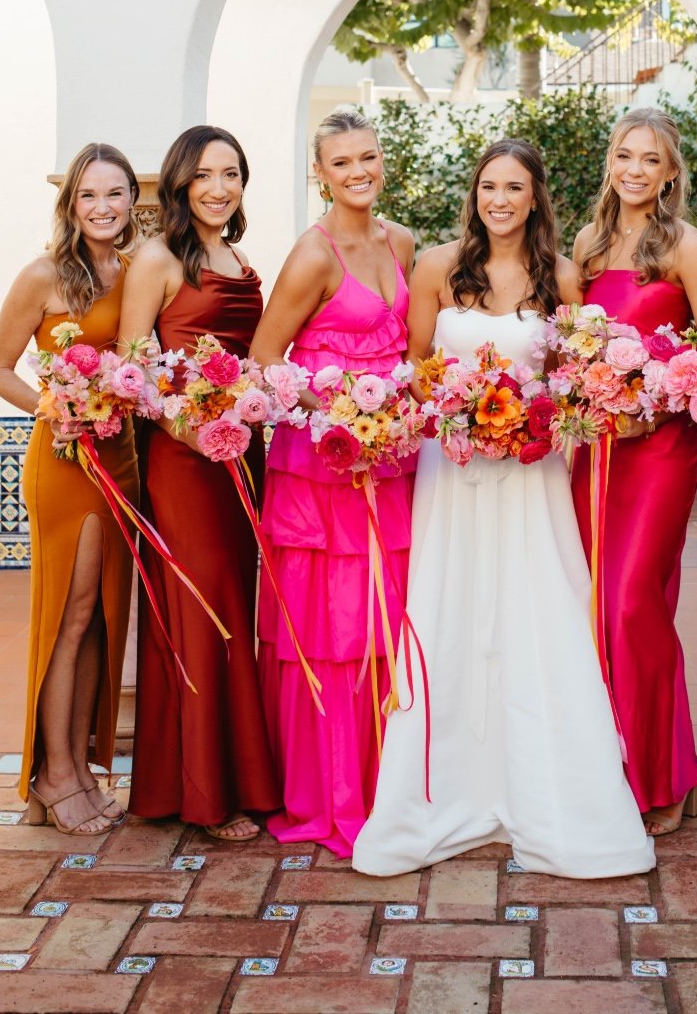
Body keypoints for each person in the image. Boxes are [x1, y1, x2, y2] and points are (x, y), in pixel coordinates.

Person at [353, 139, 653, 877]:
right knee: (449, 607)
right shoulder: (435, 267)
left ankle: (551, 794)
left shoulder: (561, 277)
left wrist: (527, 416)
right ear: (475, 193)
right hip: (452, 469)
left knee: (536, 609)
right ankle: (446, 792)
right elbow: (416, 369)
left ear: (535, 196)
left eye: (515, 187)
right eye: (489, 186)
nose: (500, 200)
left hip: (531, 469)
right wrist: (458, 411)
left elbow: (573, 374)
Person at [253, 109, 416, 857]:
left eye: (369, 158)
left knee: (391, 618)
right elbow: (264, 359)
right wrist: (336, 414)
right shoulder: (312, 256)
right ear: (319, 172)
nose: (359, 172)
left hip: (394, 463)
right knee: (332, 630)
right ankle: (331, 795)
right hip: (323, 469)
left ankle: (395, 783)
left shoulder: (401, 242)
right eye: (342, 162)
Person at [571, 109, 697, 836]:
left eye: (651, 159)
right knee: (596, 605)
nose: (635, 169)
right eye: (624, 155)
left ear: (670, 173)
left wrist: (657, 398)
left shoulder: (687, 245)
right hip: (597, 451)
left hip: (661, 450)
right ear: (612, 162)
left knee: (635, 602)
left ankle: (668, 775)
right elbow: (571, 349)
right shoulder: (588, 245)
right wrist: (589, 392)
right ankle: (608, 764)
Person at [119, 125, 278, 842]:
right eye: (206, 175)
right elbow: (133, 368)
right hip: (183, 461)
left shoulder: (240, 256)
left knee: (232, 608)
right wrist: (191, 428)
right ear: (181, 182)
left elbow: (252, 357)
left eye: (232, 174)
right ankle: (205, 795)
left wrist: (247, 414)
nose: (220, 187)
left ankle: (231, 776)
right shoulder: (157, 258)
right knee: (198, 608)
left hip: (242, 455)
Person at [0, 142, 140, 836]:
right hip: (66, 462)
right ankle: (53, 775)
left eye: (115, 194)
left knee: (104, 621)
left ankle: (78, 767)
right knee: (71, 618)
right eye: (89, 196)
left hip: (124, 464)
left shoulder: (137, 273)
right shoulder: (45, 274)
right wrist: (59, 409)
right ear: (70, 204)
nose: (103, 208)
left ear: (133, 199)